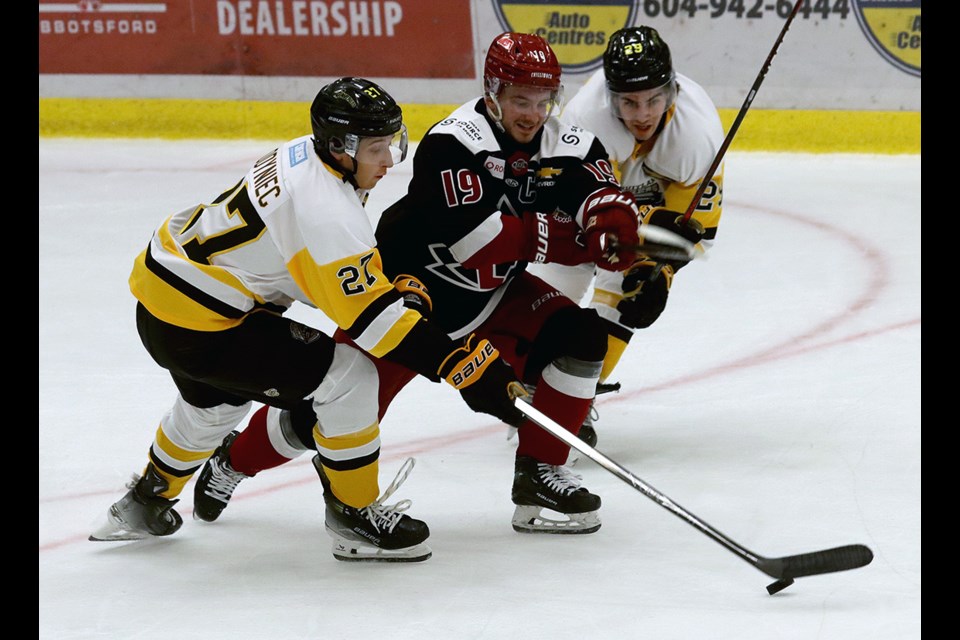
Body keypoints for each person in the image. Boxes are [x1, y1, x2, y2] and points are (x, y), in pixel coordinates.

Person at [196, 32, 642, 537]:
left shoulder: (568, 140)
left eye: (543, 101)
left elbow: (601, 192)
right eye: (520, 100)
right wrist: (582, 242)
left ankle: (539, 473)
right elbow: (482, 241)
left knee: (582, 338)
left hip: (493, 296)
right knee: (326, 412)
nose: (532, 113)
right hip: (409, 301)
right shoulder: (453, 141)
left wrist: (613, 220)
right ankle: (234, 460)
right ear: (492, 91)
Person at [89, 77, 526, 564]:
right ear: (342, 146)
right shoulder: (324, 208)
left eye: (392, 144)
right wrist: (460, 365)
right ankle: (354, 513)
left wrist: (381, 283)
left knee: (213, 407)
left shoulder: (307, 154)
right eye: (378, 149)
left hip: (166, 302)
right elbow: (372, 324)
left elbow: (300, 263)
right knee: (350, 378)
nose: (389, 161)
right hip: (205, 324)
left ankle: (145, 500)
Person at [526, 26, 725, 446]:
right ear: (611, 96)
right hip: (589, 203)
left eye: (654, 98)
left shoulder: (697, 135)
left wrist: (660, 272)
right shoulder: (584, 121)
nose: (642, 114)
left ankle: (572, 399)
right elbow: (576, 211)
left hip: (648, 198)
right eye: (630, 102)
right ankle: (530, 381)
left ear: (672, 90)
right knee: (551, 286)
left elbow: (694, 230)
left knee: (626, 292)